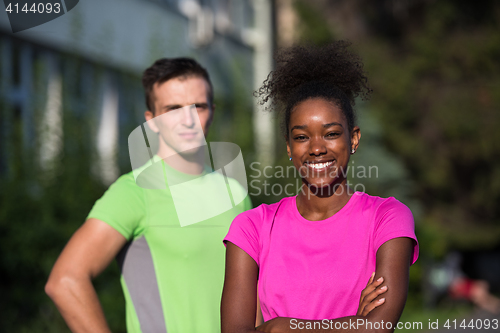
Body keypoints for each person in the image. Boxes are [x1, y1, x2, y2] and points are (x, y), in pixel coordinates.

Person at [221, 41, 419, 332]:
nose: (316, 148)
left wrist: (281, 328)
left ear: (353, 139)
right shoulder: (252, 227)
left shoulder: (387, 217)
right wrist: (353, 324)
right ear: (289, 146)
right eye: (302, 137)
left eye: (331, 134)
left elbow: (378, 327)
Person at [45, 58, 252, 332]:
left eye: (198, 106)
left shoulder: (235, 193)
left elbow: (254, 296)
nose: (187, 119)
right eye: (173, 109)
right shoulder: (134, 192)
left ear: (212, 111)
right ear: (152, 121)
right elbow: (65, 280)